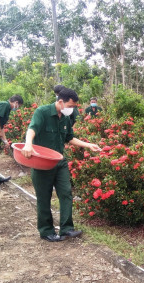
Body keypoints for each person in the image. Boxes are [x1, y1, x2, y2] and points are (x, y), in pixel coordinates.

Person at [22, 88, 101, 242]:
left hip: (60, 162)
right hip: (42, 163)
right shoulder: (42, 112)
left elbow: (69, 138)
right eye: (70, 106)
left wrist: (88, 145)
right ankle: (46, 231)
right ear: (60, 101)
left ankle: (66, 228)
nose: (72, 110)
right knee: (44, 197)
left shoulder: (65, 118)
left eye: (74, 107)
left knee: (66, 193)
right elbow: (32, 129)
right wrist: (28, 144)